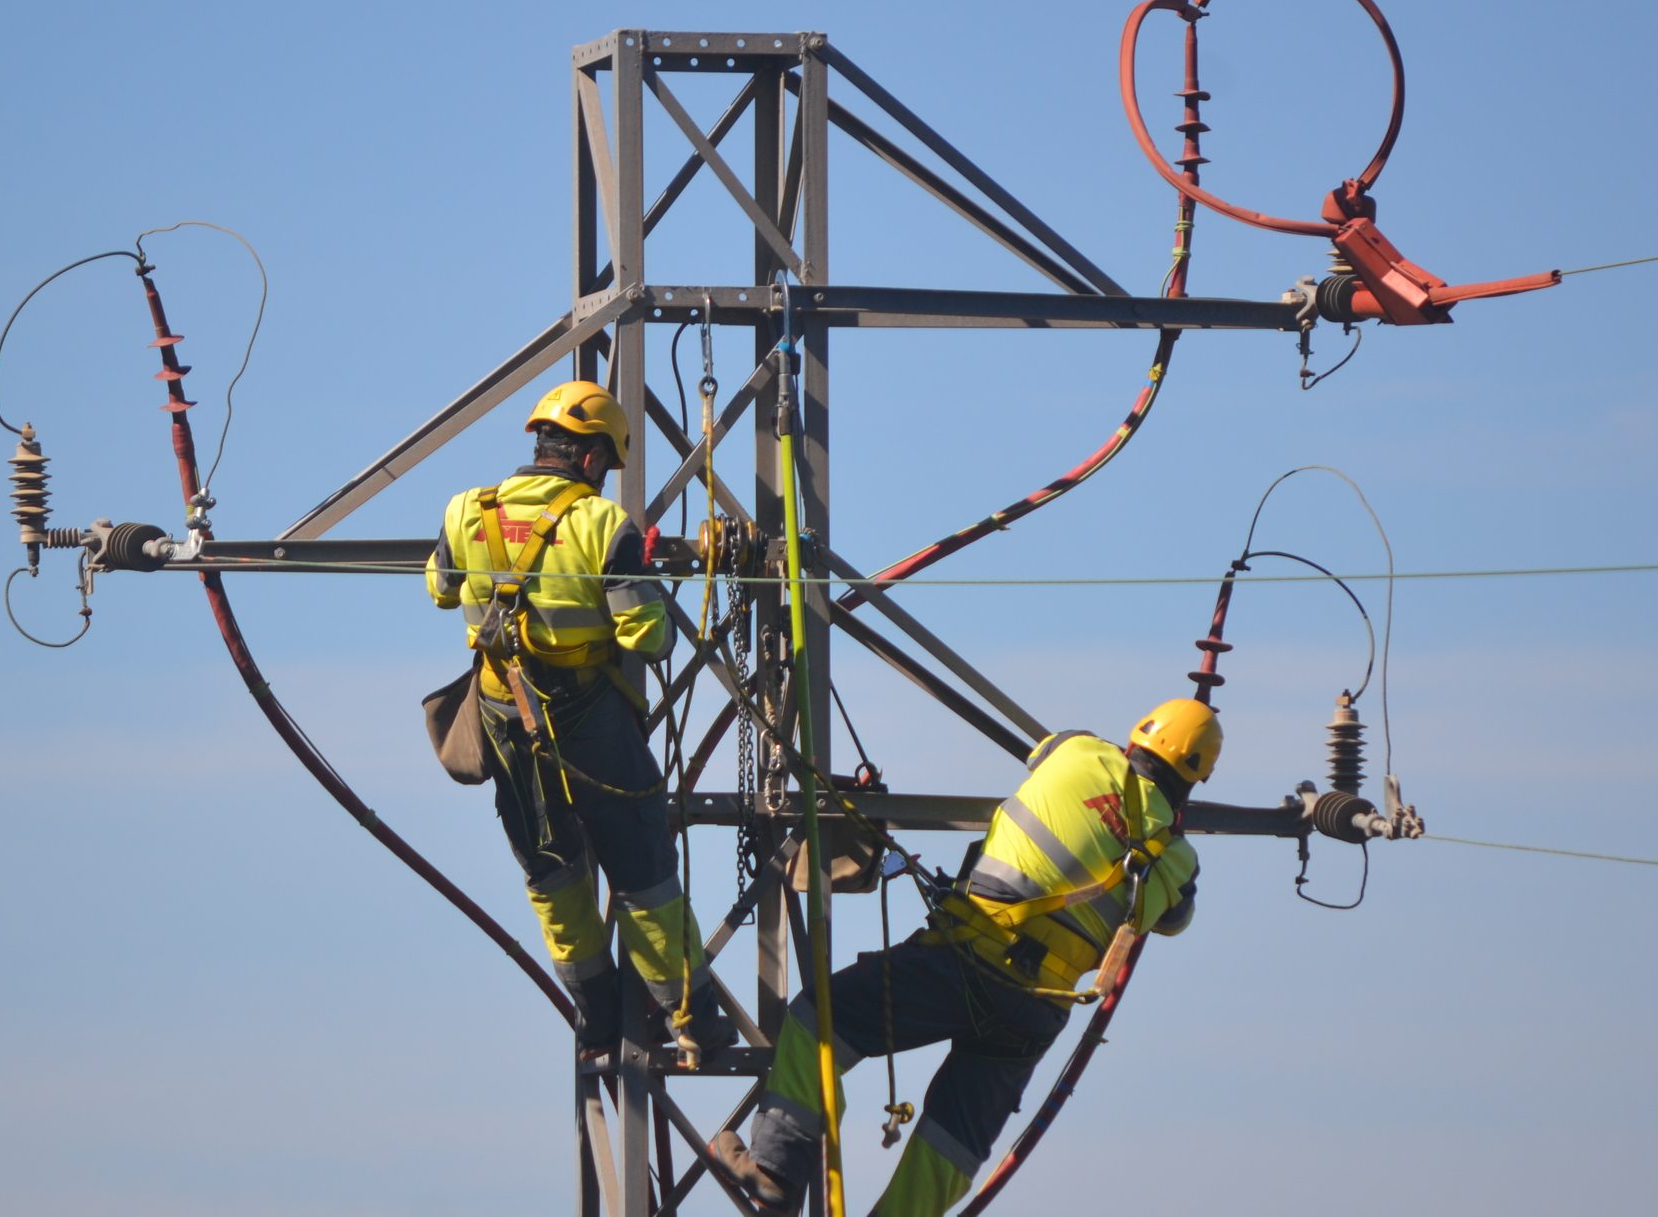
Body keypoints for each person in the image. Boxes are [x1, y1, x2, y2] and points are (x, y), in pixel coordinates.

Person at [711, 699, 1220, 1216]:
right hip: (1036, 1014)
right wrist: (1164, 825)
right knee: (953, 1142)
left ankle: (775, 1172)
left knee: (819, 1021)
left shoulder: (1079, 752)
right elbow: (1174, 921)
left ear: (1135, 741)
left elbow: (1044, 753)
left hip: (967, 959)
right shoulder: (1177, 864)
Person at [425, 379, 733, 1064]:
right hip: (588, 722)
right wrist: (641, 577)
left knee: (551, 870)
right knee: (641, 867)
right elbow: (647, 639)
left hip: (507, 719)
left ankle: (595, 1014)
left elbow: (441, 589)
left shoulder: (464, 512)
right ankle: (688, 1016)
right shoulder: (602, 527)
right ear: (592, 459)